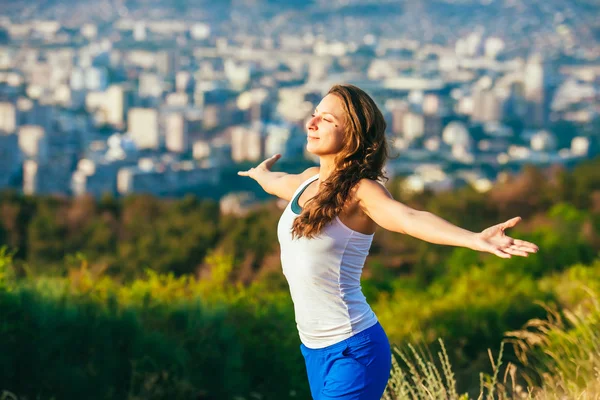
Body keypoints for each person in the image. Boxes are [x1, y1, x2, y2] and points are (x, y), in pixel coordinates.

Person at [237, 84, 539, 400]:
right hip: (314, 350)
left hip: (354, 350)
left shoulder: (361, 192)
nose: (311, 124)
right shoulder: (308, 180)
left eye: (326, 119)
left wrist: (474, 239)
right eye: (314, 115)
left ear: (351, 134)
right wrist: (260, 174)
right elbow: (276, 183)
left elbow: (409, 218)